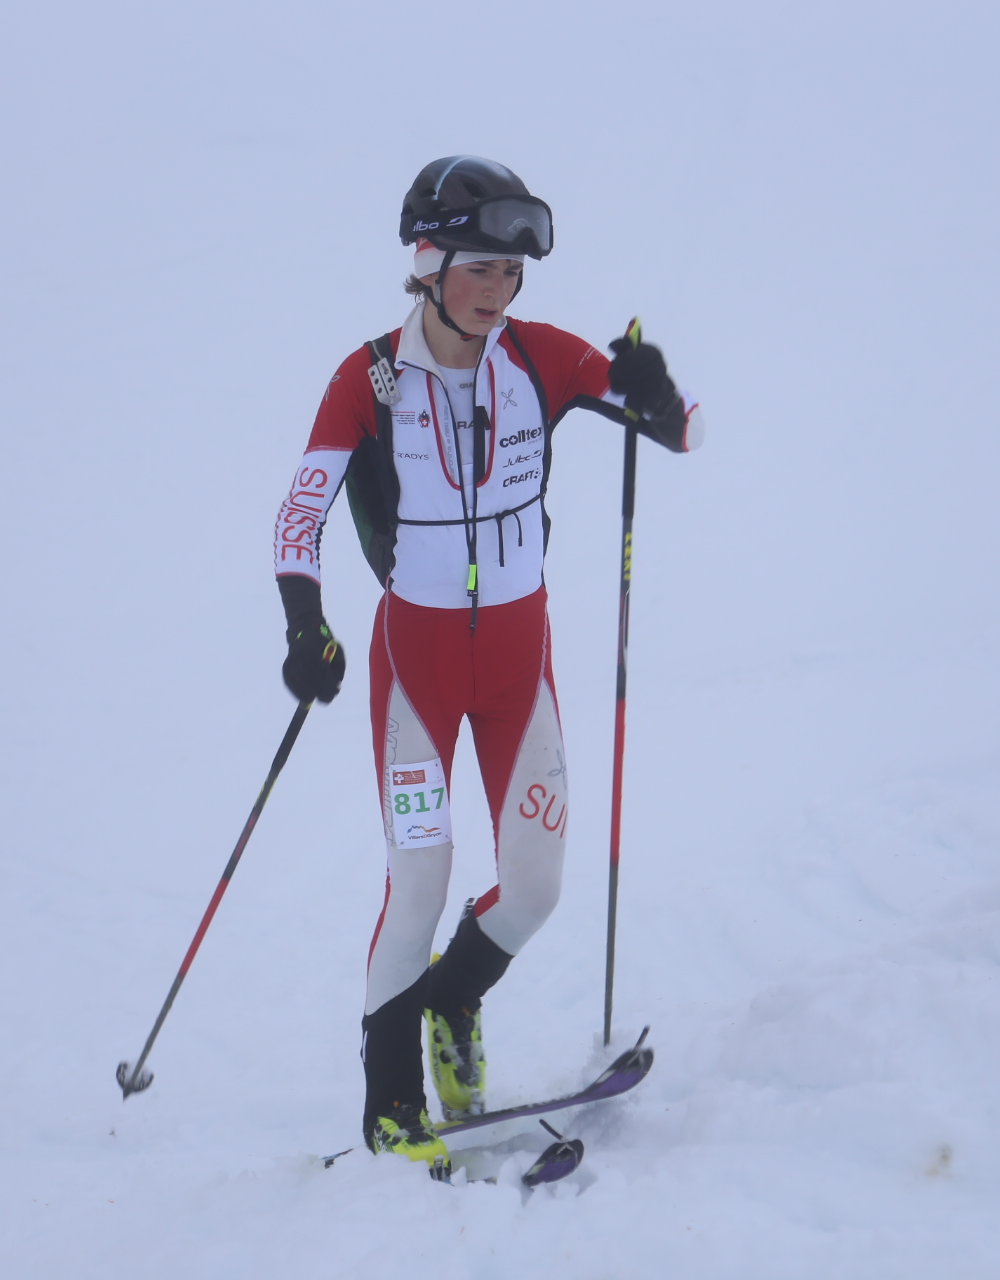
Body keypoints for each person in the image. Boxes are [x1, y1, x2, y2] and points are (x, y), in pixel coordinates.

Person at [272, 156, 702, 1167]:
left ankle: (455, 996)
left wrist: (654, 388)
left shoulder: (540, 358)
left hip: (517, 668)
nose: (498, 289)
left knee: (536, 885)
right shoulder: (370, 377)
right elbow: (300, 512)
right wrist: (304, 624)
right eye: (480, 268)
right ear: (428, 265)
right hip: (416, 680)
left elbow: (677, 431)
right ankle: (390, 1106)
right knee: (419, 881)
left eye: (512, 271)